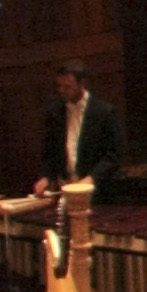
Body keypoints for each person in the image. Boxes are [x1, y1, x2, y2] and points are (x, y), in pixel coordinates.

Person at [34, 59, 124, 192]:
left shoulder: (104, 112)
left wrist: (91, 179)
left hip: (99, 191)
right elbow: (50, 153)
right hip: (65, 189)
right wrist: (46, 177)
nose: (62, 90)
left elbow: (113, 156)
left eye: (68, 86)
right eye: (60, 86)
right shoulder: (54, 113)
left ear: (82, 84)